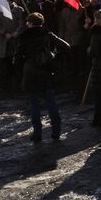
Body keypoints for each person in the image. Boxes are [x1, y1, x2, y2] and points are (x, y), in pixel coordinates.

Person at [17, 12, 69, 142]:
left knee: (34, 104)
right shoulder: (48, 35)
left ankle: (37, 133)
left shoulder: (23, 37)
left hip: (30, 71)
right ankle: (56, 131)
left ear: (30, 23)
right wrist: (54, 55)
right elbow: (66, 47)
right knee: (51, 102)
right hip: (46, 70)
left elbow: (17, 56)